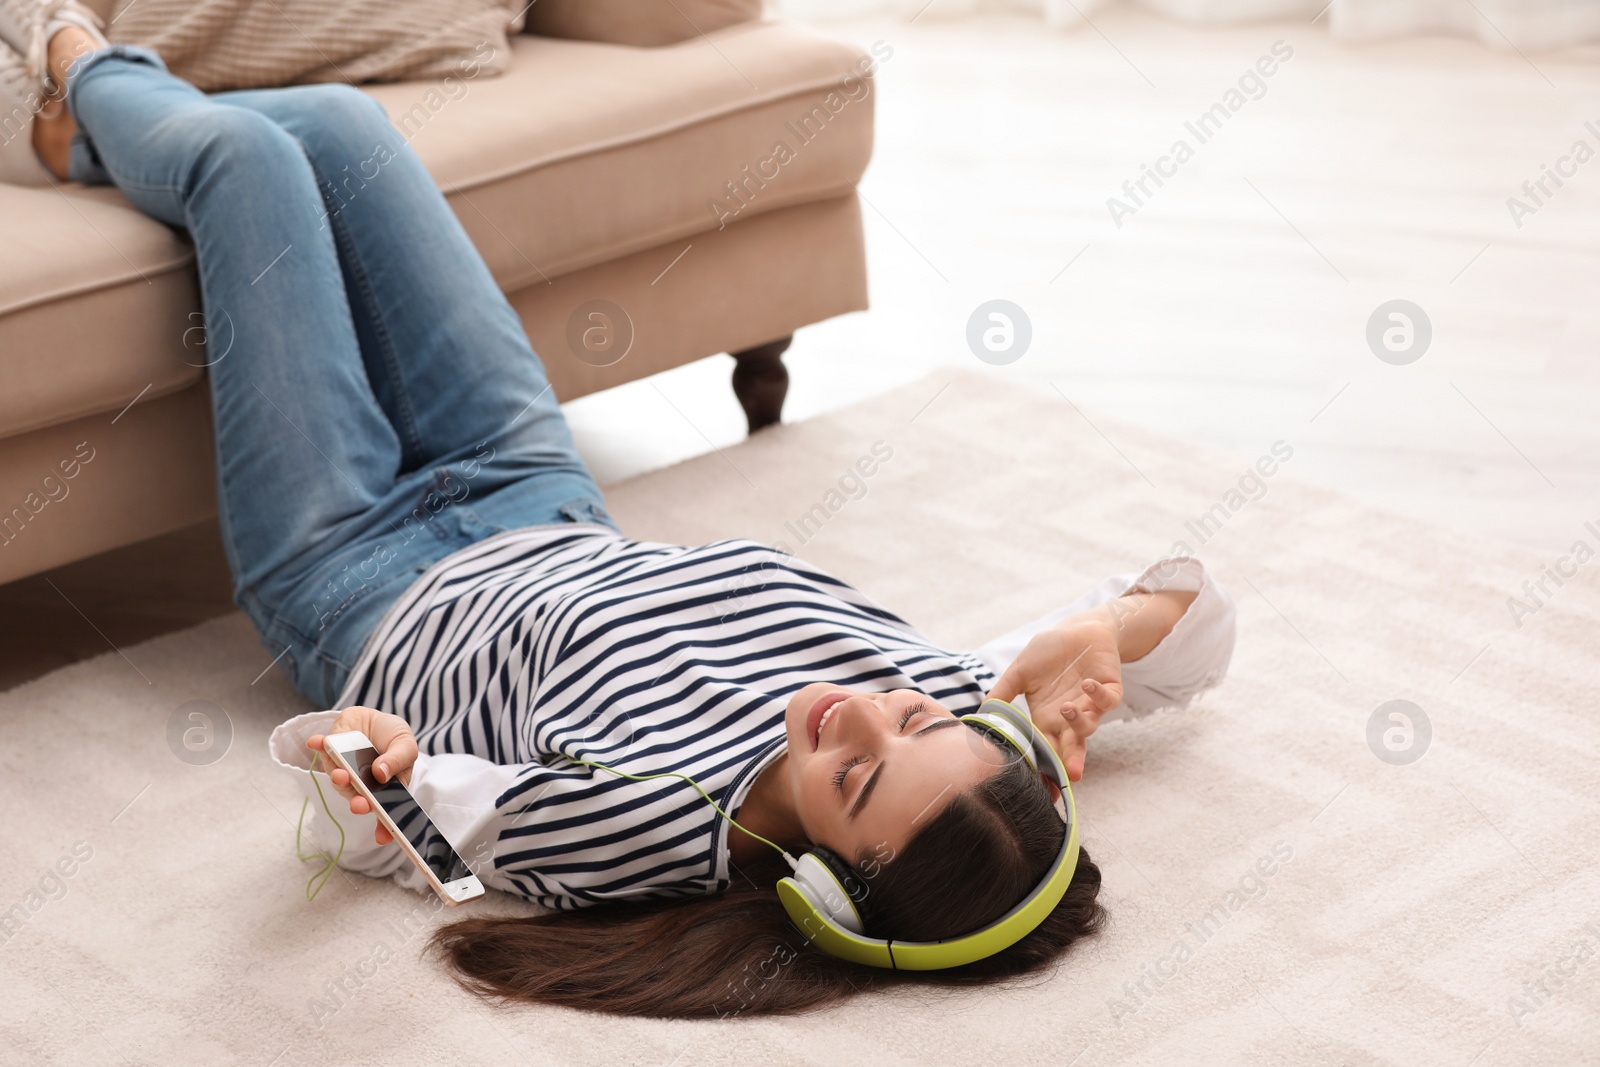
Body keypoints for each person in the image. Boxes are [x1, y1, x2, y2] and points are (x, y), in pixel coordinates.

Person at [2, 2, 1239, 1017]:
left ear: (817, 888)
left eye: (855, 779)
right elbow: (1195, 621)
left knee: (248, 162)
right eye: (914, 715)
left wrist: (368, 757)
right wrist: (1106, 629)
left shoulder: (638, 833)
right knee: (337, 123)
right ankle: (101, 128)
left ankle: (65, 65)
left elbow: (401, 825)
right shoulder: (943, 721)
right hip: (531, 484)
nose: (857, 712)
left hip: (353, 568)